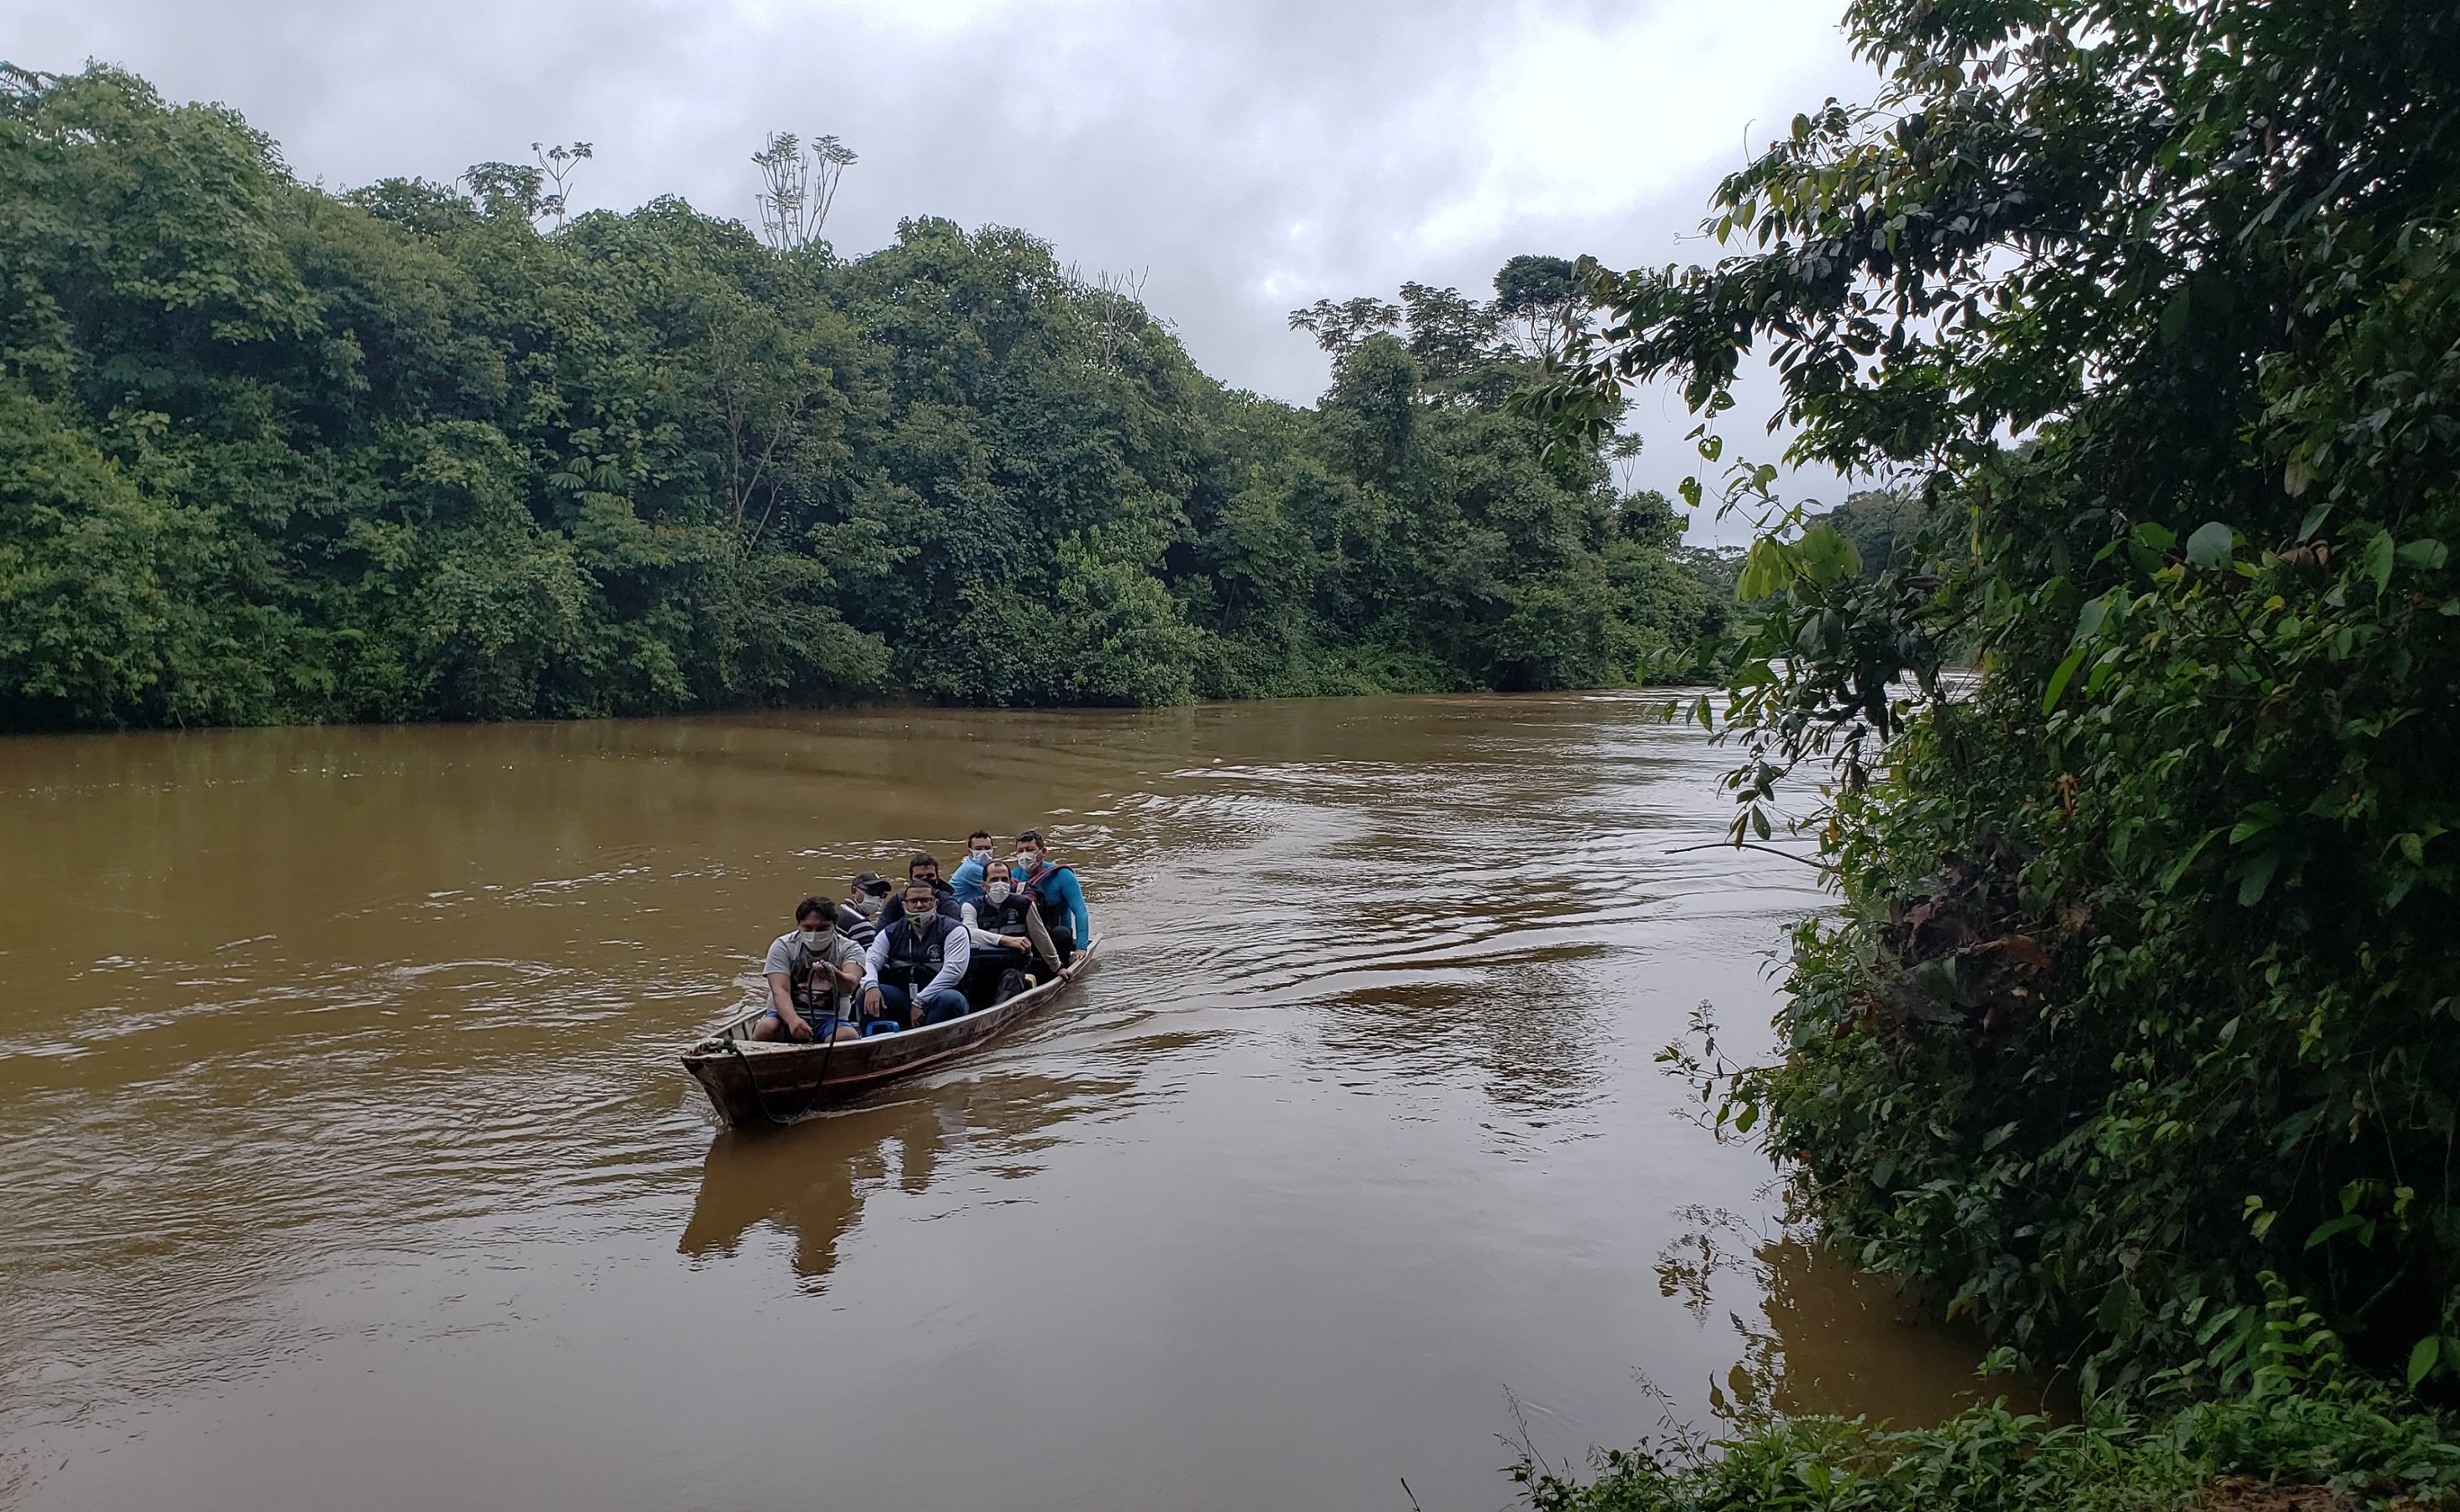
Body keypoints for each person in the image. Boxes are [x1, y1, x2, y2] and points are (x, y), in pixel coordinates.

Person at [751, 896, 866, 1043]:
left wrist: (833, 974)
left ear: (834, 926)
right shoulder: (783, 946)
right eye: (808, 928)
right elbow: (780, 990)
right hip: (784, 1016)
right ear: (799, 925)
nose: (814, 934)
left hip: (830, 1019)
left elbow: (851, 983)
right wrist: (793, 1020)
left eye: (823, 928)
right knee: (766, 1028)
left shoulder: (850, 948)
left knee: (847, 1037)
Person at [860, 879, 974, 1027]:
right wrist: (871, 985)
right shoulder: (890, 932)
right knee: (866, 993)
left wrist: (921, 1000)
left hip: (939, 997)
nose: (919, 905)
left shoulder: (954, 930)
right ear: (904, 905)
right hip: (904, 996)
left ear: (936, 904)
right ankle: (876, 1040)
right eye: (913, 901)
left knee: (951, 1000)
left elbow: (953, 971)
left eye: (925, 900)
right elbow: (870, 960)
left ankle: (934, 1041)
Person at [959, 859, 1061, 1001]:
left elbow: (1041, 936)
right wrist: (1004, 941)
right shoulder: (971, 906)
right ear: (984, 885)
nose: (999, 883)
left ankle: (1000, 1014)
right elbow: (969, 933)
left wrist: (1057, 967)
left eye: (1004, 879)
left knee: (1012, 977)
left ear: (1010, 882)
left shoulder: (1024, 904)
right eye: (994, 880)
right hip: (980, 967)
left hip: (1012, 966)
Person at [1012, 829, 1090, 967]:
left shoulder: (1062, 875)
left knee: (1061, 934)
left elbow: (1080, 911)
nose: (1025, 855)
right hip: (1027, 939)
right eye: (1020, 851)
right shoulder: (1013, 877)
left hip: (1057, 938)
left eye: (1030, 850)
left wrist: (1081, 948)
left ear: (1043, 851)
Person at [879, 853, 962, 930]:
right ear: (911, 879)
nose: (925, 880)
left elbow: (956, 931)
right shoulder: (897, 901)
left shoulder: (947, 903)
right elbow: (881, 931)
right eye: (919, 877)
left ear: (937, 878)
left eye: (930, 876)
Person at [949, 830, 998, 905]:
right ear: (969, 852)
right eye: (978, 849)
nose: (984, 852)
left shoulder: (976, 865)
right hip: (959, 912)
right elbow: (998, 891)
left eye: (987, 848)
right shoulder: (972, 869)